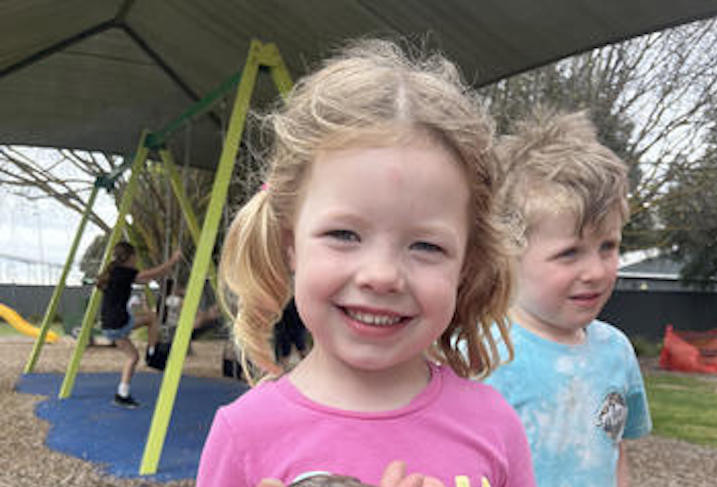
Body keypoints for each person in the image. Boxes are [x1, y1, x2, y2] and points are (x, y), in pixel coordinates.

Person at [197, 39, 534, 487]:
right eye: (344, 235)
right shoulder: (245, 434)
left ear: (467, 265)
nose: (381, 276)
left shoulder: (495, 426)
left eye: (427, 246)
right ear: (289, 244)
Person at [485, 109, 652, 486]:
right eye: (569, 253)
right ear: (507, 251)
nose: (596, 271)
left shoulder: (617, 351)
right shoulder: (480, 354)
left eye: (608, 247)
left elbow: (615, 451)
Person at [96, 241, 182, 408]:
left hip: (109, 325)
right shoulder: (124, 272)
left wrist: (162, 274)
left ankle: (122, 394)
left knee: (133, 357)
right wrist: (172, 261)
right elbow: (149, 274)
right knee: (152, 318)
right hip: (119, 322)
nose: (137, 259)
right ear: (130, 257)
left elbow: (144, 279)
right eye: (135, 256)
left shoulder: (114, 271)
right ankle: (152, 353)